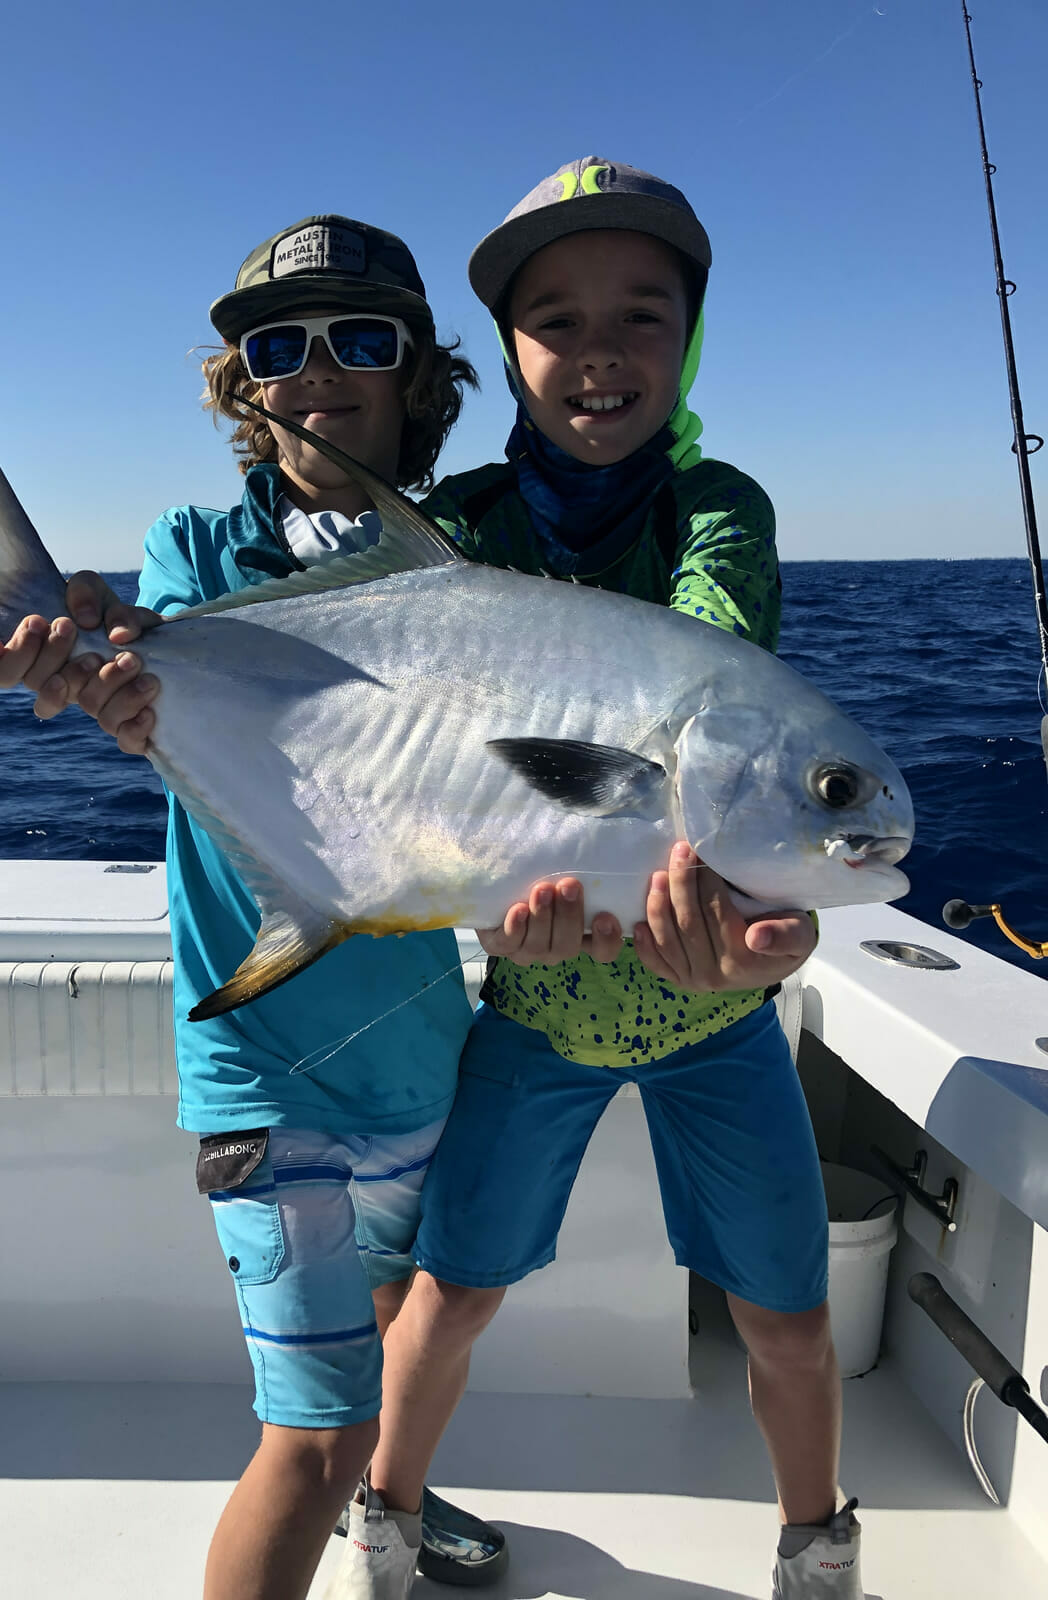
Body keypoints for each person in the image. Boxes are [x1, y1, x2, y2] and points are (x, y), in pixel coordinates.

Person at [0, 214, 512, 1600]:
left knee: (392, 1331)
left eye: (360, 339)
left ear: (417, 376)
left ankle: (393, 1502)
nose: (317, 369)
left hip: (420, 1052)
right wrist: (102, 682)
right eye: (279, 346)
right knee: (310, 1438)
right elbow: (159, 692)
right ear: (242, 385)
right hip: (260, 1068)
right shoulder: (196, 550)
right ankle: (350, 1488)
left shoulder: (467, 562)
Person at [353, 158, 861, 1600]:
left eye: (643, 315)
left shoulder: (717, 509)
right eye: (557, 320)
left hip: (720, 1019)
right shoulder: (457, 530)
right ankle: (382, 1524)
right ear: (505, 350)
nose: (600, 353)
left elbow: (714, 674)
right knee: (452, 1295)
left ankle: (817, 1551)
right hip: (537, 1002)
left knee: (789, 1320)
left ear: (688, 339)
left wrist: (767, 937)